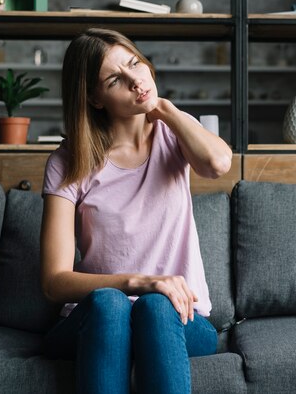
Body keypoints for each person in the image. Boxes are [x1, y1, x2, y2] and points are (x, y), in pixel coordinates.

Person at [40, 28, 232, 394]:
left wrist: (165, 109)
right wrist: (138, 282)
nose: (135, 80)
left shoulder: (173, 134)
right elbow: (53, 282)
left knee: (157, 307)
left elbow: (218, 164)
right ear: (95, 98)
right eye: (115, 79)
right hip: (96, 321)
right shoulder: (68, 163)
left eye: (134, 63)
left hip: (178, 320)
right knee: (113, 303)